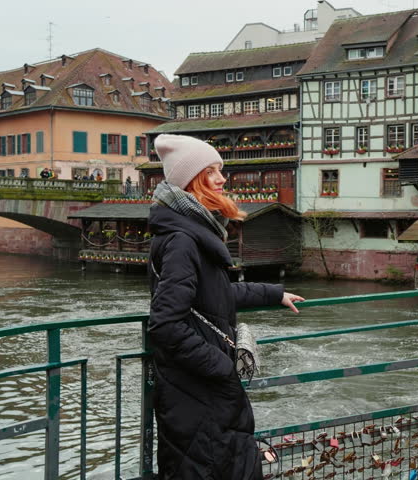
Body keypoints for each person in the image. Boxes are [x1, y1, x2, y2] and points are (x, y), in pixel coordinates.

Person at [147, 134, 304, 480]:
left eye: (220, 170)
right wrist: (220, 365)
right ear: (191, 181)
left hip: (201, 388)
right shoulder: (182, 240)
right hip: (196, 389)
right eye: (211, 171)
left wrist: (272, 293)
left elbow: (214, 296)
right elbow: (165, 324)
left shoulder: (193, 231)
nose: (222, 179)